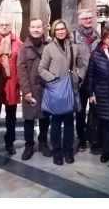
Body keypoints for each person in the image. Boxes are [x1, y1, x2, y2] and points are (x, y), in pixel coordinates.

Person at [38, 19, 87, 165]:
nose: (60, 31)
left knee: (69, 121)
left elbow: (82, 65)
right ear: (54, 31)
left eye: (62, 29)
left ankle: (68, 151)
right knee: (56, 121)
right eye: (57, 29)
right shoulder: (49, 48)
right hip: (56, 89)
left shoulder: (74, 47)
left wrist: (79, 78)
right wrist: (53, 80)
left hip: (71, 88)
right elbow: (41, 68)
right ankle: (57, 152)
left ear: (66, 30)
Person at [87, 27, 109, 164]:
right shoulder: (96, 54)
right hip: (101, 94)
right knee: (105, 125)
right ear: (103, 39)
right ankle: (106, 151)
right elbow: (91, 76)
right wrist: (91, 94)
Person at [17, 18, 52, 160]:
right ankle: (29, 145)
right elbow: (21, 70)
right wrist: (26, 91)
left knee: (45, 117)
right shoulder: (24, 49)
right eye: (33, 27)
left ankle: (43, 142)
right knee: (29, 118)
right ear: (29, 29)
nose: (36, 29)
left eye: (39, 27)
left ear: (43, 28)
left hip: (46, 88)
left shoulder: (50, 46)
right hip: (30, 87)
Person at [0, 17, 22, 155]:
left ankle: (9, 143)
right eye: (1, 24)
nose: (3, 26)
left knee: (11, 116)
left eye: (6, 24)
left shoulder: (17, 42)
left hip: (11, 82)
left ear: (10, 26)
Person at [71, 9, 99, 153]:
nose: (89, 20)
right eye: (85, 18)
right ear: (79, 21)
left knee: (95, 110)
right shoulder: (74, 36)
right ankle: (81, 138)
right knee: (80, 110)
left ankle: (93, 138)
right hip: (81, 78)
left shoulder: (97, 35)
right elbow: (70, 55)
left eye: (90, 17)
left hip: (95, 78)